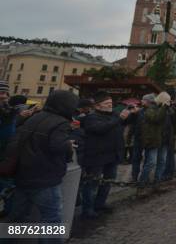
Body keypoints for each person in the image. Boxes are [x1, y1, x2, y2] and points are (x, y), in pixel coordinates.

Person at [7, 90, 77, 239]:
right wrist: (68, 145)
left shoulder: (35, 117)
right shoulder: (61, 122)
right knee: (51, 219)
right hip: (45, 177)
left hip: (23, 174)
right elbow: (57, 146)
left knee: (16, 218)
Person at [80, 91, 130, 219]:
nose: (110, 105)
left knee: (107, 182)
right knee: (92, 183)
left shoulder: (113, 115)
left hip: (112, 155)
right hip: (96, 156)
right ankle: (88, 209)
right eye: (106, 103)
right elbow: (100, 128)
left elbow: (120, 126)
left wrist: (130, 115)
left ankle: (100, 204)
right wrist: (119, 119)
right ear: (97, 106)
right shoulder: (91, 117)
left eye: (111, 103)